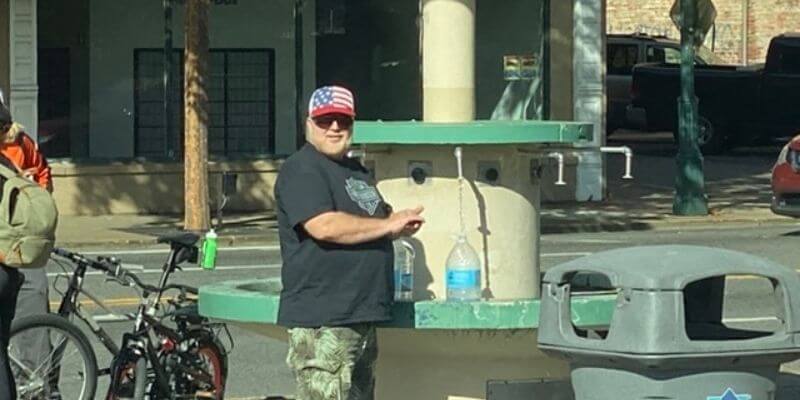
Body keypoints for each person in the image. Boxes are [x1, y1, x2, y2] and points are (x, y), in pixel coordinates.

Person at [275, 85, 424, 400]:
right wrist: (387, 225)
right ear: (308, 124)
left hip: (360, 314)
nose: (334, 128)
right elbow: (324, 226)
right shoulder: (302, 168)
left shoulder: (355, 171)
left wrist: (398, 223)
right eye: (325, 120)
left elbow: (375, 223)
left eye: (342, 121)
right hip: (325, 319)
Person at [0, 103, 54, 398]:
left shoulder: (21, 146)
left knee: (29, 328)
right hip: (20, 250)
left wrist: (32, 191)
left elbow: (44, 177)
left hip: (18, 250)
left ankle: (37, 386)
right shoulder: (20, 145)